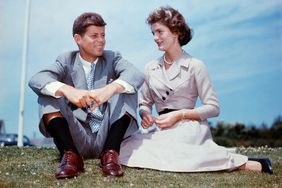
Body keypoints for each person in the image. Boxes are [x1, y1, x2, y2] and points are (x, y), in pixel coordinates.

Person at [119, 6, 273, 174]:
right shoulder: (150, 68)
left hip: (189, 127)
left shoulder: (195, 66)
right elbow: (144, 103)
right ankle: (213, 157)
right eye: (153, 33)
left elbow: (213, 108)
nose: (155, 38)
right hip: (161, 129)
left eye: (160, 32)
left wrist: (179, 115)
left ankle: (248, 164)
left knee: (176, 153)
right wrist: (145, 114)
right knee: (126, 149)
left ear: (175, 32)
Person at [29, 12, 144, 179]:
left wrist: (110, 89)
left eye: (103, 35)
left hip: (107, 135)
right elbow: (37, 79)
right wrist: (68, 90)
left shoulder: (112, 57)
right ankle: (70, 157)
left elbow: (136, 74)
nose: (101, 40)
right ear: (78, 38)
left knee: (125, 87)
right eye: (94, 36)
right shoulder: (65, 60)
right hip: (76, 137)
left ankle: (111, 155)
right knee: (48, 91)